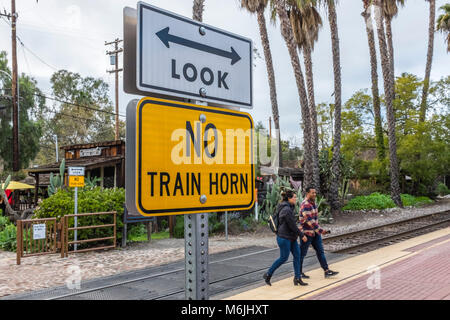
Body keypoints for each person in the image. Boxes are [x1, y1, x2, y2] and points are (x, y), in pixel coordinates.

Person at [263, 190, 308, 286]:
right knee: (284, 258)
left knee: (297, 256)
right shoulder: (286, 209)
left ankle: (297, 278)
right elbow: (291, 225)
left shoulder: (289, 207)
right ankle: (268, 274)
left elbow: (290, 225)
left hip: (291, 237)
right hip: (284, 238)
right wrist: (302, 235)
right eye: (294, 197)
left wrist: (297, 230)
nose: (296, 199)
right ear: (289, 198)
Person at [299, 187, 339, 280]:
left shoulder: (314, 204)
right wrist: (321, 231)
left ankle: (326, 271)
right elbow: (310, 221)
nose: (314, 194)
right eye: (312, 193)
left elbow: (315, 221)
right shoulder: (305, 205)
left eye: (315, 193)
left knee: (320, 252)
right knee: (302, 254)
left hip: (315, 233)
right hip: (307, 233)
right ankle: (299, 273)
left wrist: (319, 231)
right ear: (307, 193)